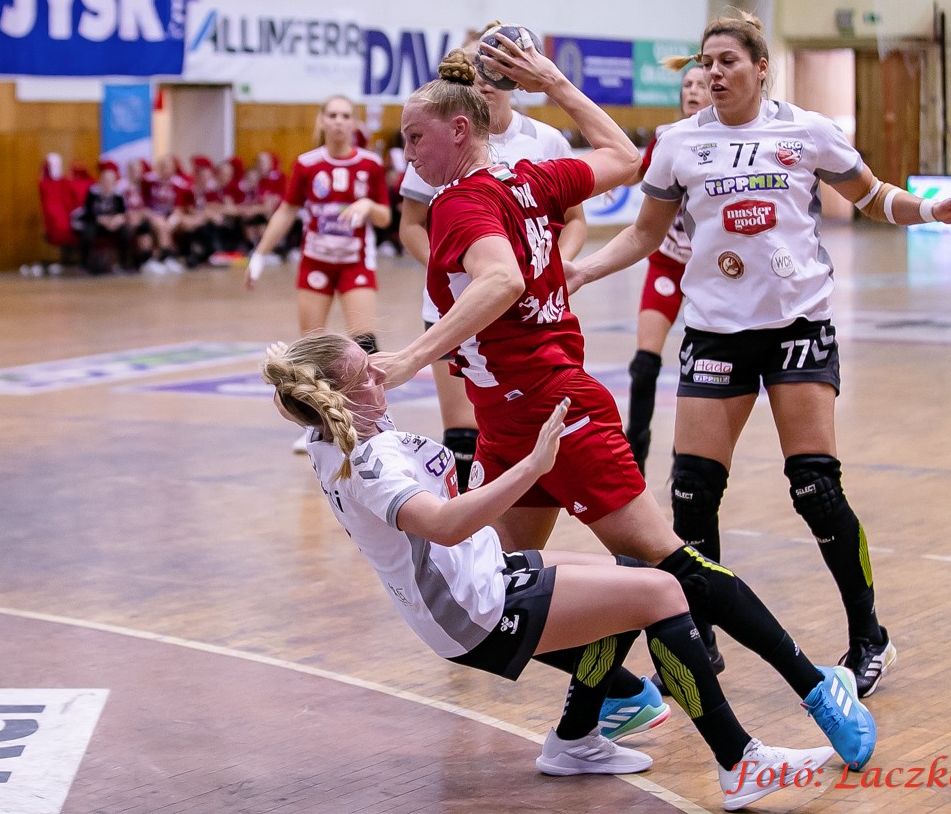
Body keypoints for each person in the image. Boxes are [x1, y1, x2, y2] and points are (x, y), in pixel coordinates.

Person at [372, 39, 877, 774]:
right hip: (508, 419)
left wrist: (410, 358)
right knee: (497, 596)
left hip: (555, 408)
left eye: (414, 136)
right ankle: (588, 722)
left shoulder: (462, 201)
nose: (407, 152)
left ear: (458, 130)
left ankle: (815, 686)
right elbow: (622, 155)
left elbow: (501, 279)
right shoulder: (531, 177)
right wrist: (556, 82)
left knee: (667, 566)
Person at [569, 10, 951, 698]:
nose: (714, 72)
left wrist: (931, 210)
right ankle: (700, 640)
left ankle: (870, 636)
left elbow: (873, 197)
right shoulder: (678, 143)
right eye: (707, 62)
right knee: (692, 493)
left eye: (728, 61)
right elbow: (644, 234)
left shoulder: (807, 131)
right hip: (716, 332)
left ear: (762, 68)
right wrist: (582, 271)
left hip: (797, 326)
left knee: (815, 487)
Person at [263, 333, 839, 810]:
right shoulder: (371, 462)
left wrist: (322, 368)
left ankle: (575, 741)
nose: (381, 372)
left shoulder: (330, 435)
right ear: (336, 397)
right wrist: (533, 466)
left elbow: (304, 400)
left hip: (474, 580)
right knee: (662, 592)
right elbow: (443, 525)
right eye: (366, 373)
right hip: (473, 607)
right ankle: (740, 762)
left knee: (625, 581)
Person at [399, 31, 587, 491]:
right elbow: (411, 225)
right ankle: (469, 529)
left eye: (492, 68)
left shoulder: (544, 140)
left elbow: (575, 221)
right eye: (472, 69)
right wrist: (455, 269)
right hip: (458, 307)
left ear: (514, 76)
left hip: (525, 312)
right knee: (465, 438)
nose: (481, 78)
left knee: (527, 432)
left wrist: (551, 269)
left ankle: (508, 525)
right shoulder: (435, 140)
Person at [245, 95, 391, 452]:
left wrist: (368, 205)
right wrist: (259, 256)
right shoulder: (308, 164)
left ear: (353, 122)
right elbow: (286, 211)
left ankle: (373, 419)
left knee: (364, 343)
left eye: (345, 115)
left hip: (355, 261)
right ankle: (314, 422)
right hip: (316, 262)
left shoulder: (370, 164)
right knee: (311, 347)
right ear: (322, 121)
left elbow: (386, 217)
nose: (339, 121)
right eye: (333, 115)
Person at [626, 62, 711, 479]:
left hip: (710, 272)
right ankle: (634, 461)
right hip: (667, 262)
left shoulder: (728, 142)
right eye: (687, 84)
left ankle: (686, 462)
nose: (692, 90)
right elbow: (636, 174)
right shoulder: (666, 137)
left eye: (700, 84)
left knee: (701, 369)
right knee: (644, 364)